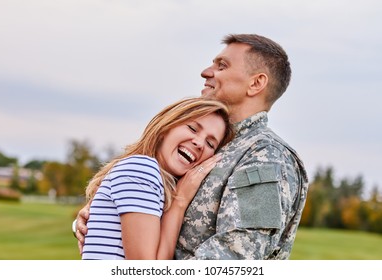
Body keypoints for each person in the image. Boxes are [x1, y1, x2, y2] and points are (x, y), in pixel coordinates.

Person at [75, 33, 309, 259]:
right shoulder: (212, 146)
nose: (206, 72)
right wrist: (102, 217)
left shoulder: (265, 156)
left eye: (222, 66)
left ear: (256, 83)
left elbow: (237, 256)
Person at [81, 97, 234, 259]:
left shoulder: (151, 179)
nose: (199, 143)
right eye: (192, 128)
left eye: (210, 144)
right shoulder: (143, 169)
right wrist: (179, 203)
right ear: (165, 127)